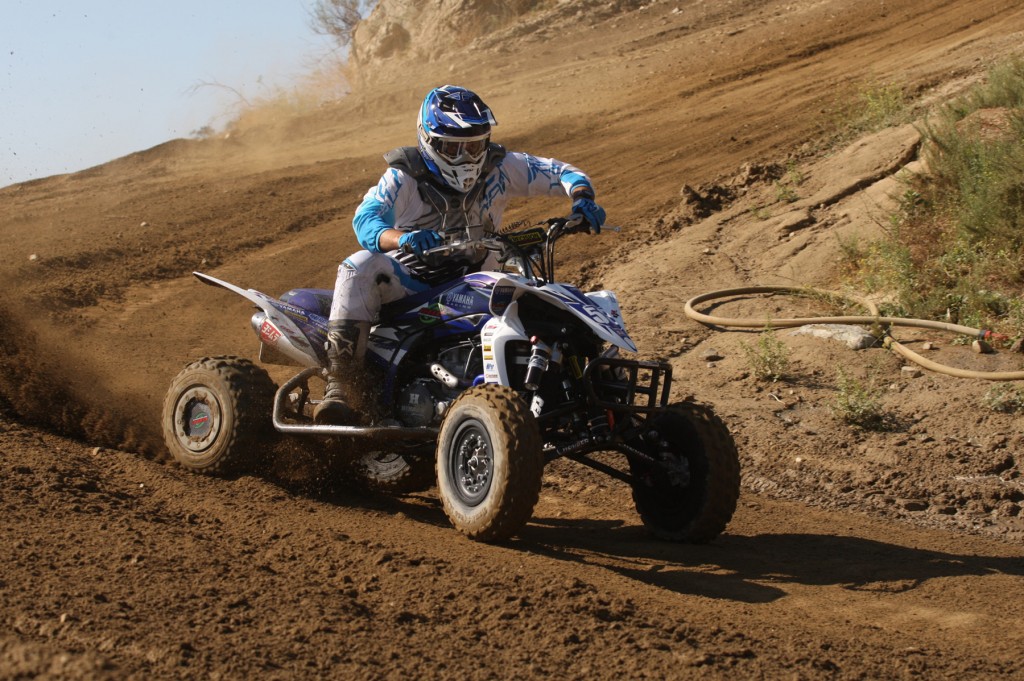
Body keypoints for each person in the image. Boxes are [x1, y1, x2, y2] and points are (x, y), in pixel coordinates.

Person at [315, 84, 607, 424]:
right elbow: (365, 221)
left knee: (543, 303)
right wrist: (403, 239)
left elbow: (561, 172)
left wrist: (582, 198)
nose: (466, 157)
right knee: (359, 264)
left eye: (474, 146)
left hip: (478, 278)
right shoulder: (404, 176)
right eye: (453, 147)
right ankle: (340, 385)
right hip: (410, 284)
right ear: (429, 140)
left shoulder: (500, 166)